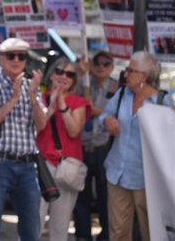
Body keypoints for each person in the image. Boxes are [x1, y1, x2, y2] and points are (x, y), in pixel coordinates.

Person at [99, 51, 172, 241]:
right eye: (127, 70)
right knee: (118, 233)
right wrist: (107, 120)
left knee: (152, 233)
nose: (126, 74)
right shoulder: (123, 94)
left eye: (131, 71)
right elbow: (103, 115)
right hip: (117, 175)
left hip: (147, 180)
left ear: (144, 76)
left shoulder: (162, 101)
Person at [0, 37, 46, 241]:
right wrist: (14, 99)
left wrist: (33, 97)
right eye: (11, 56)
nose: (16, 60)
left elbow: (42, 125)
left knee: (32, 229)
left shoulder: (31, 86)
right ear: (0, 58)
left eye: (21, 56)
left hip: (28, 164)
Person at [37, 58, 91, 241]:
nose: (63, 76)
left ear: (74, 80)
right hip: (41, 165)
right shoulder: (38, 98)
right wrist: (51, 105)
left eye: (69, 74)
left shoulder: (78, 102)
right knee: (33, 220)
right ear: (51, 74)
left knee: (60, 225)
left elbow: (74, 130)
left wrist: (62, 105)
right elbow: (35, 128)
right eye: (59, 71)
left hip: (65, 167)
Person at [73, 51, 117, 241]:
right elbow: (72, 100)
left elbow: (113, 113)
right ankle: (83, 236)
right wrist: (80, 73)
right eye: (97, 63)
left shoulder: (116, 87)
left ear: (111, 67)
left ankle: (105, 236)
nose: (101, 67)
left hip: (104, 148)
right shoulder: (84, 83)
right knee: (80, 197)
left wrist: (93, 109)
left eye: (106, 64)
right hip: (81, 146)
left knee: (105, 197)